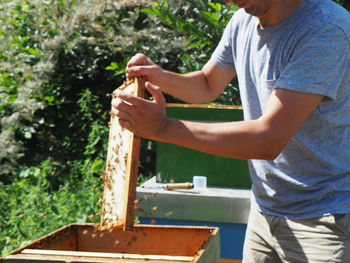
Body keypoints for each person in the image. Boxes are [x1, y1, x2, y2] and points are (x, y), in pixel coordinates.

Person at [111, 0, 350, 262]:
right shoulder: (242, 21)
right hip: (264, 212)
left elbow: (268, 139)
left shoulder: (325, 28)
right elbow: (206, 84)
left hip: (324, 220)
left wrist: (164, 128)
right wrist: (159, 76)